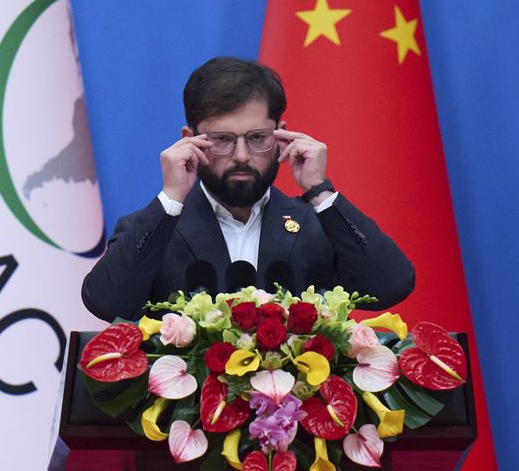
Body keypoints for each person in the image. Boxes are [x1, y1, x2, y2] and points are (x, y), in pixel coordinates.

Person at [82, 57, 414, 322]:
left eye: (257, 138)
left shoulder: (319, 227)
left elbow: (391, 285)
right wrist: (171, 198)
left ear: (281, 136)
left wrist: (320, 191)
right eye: (222, 140)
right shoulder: (155, 228)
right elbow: (106, 302)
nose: (241, 156)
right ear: (189, 140)